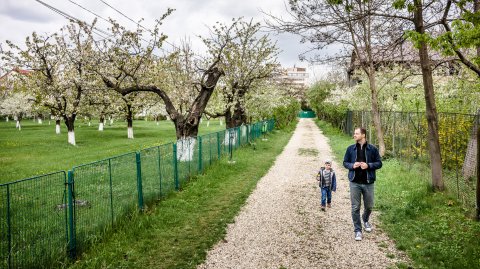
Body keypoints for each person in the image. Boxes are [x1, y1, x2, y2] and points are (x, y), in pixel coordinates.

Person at [343, 127, 382, 241]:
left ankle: (365, 219)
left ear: (363, 135)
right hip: (354, 182)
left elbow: (379, 163)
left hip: (368, 182)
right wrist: (352, 166)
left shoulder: (373, 149)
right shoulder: (350, 149)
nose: (354, 135)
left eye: (356, 133)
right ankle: (358, 230)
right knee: (355, 207)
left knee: (369, 206)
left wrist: (368, 165)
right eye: (354, 133)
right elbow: (345, 162)